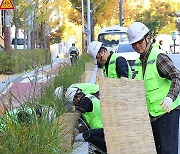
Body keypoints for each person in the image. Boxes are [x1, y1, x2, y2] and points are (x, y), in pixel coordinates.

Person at [127, 22, 180, 154]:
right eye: (134, 44)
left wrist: (170, 98)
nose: (137, 46)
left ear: (148, 38)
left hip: (167, 113)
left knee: (168, 151)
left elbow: (176, 77)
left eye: (140, 42)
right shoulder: (139, 62)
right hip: (152, 115)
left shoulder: (158, 57)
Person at [66, 87, 107, 153]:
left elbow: (76, 114)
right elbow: (86, 126)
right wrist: (77, 131)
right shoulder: (89, 99)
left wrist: (69, 127)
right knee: (89, 135)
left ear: (78, 96)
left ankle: (108, 149)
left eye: (74, 101)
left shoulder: (86, 100)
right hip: (104, 128)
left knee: (88, 135)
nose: (74, 104)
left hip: (106, 128)